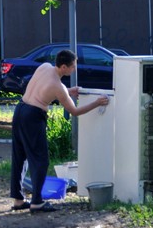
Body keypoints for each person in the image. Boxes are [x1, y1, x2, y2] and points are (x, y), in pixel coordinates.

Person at [10, 49, 109, 213]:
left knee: (19, 156)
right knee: (40, 160)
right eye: (72, 66)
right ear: (64, 67)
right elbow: (75, 111)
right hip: (33, 116)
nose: (74, 69)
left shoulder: (44, 67)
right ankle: (37, 202)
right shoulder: (58, 86)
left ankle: (18, 200)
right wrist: (97, 103)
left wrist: (68, 91)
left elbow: (44, 88)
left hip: (20, 110)